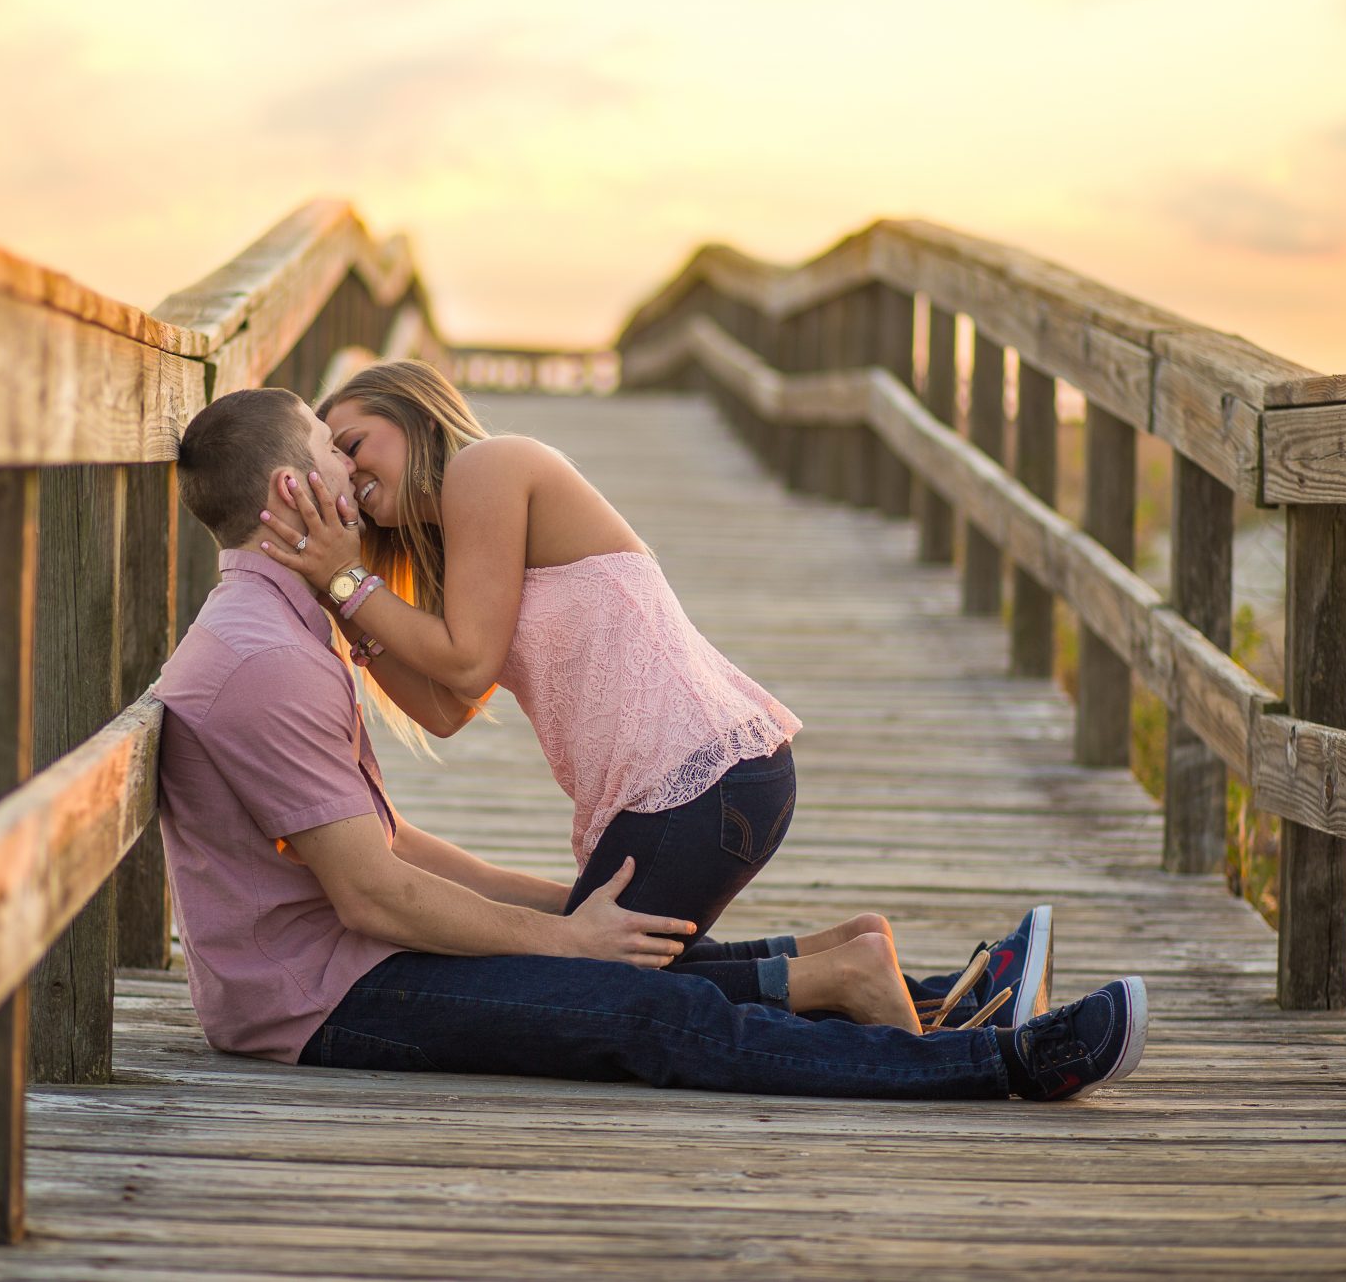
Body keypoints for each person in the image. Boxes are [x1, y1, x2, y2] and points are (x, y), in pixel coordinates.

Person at [152, 384, 1147, 1102]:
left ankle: (903, 989)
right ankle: (984, 1056)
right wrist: (562, 932)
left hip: (662, 794)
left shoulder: (299, 621)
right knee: (642, 1004)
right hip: (318, 996)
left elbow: (395, 833)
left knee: (621, 961)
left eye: (350, 445)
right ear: (288, 492)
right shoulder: (266, 658)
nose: (349, 479)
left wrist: (557, 913)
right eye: (327, 457)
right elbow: (375, 880)